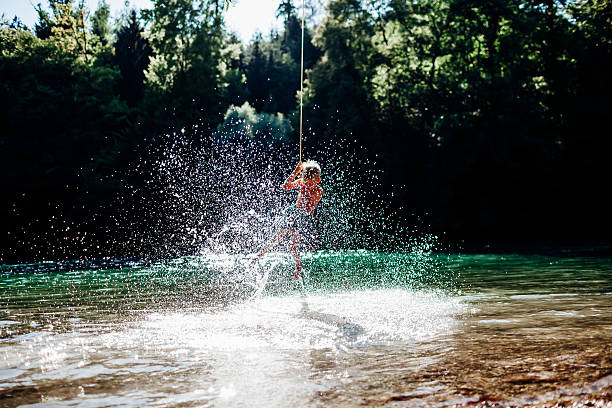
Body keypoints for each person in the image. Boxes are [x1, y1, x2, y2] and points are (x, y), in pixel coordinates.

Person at [252, 160, 323, 280]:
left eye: (310, 183)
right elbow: (285, 186)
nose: (307, 185)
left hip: (304, 217)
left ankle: (298, 268)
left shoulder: (318, 191)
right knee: (277, 238)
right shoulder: (301, 182)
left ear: (317, 181)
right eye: (306, 182)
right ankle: (257, 257)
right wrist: (296, 172)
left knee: (292, 245)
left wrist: (306, 191)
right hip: (294, 212)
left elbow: (309, 207)